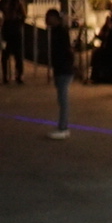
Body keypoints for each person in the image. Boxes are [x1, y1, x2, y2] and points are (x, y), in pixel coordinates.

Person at [47, 8, 73, 140]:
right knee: (62, 99)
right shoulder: (57, 31)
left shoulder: (60, 32)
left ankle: (64, 127)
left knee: (63, 99)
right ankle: (63, 126)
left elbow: (65, 51)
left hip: (63, 69)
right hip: (61, 68)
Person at [1, 0, 25, 85]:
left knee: (7, 54)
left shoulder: (11, 2)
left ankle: (8, 76)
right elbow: (23, 15)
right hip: (14, 29)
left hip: (8, 29)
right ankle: (17, 75)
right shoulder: (16, 2)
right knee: (15, 54)